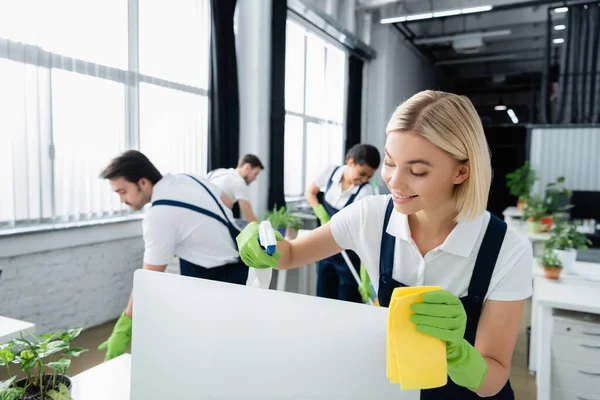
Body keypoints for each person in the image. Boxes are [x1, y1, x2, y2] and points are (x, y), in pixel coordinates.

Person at [236, 90, 532, 398]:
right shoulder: (371, 216)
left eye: (417, 171)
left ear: (461, 171)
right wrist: (263, 244)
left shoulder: (506, 250)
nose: (394, 181)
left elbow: (494, 378)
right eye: (390, 163)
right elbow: (292, 254)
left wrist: (458, 354)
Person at [97, 150, 247, 361]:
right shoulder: (187, 178)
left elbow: (148, 279)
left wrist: (126, 323)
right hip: (238, 265)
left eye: (123, 191)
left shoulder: (159, 213)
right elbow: (226, 201)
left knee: (209, 353)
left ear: (143, 183)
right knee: (226, 342)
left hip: (215, 279)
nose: (122, 199)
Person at [305, 144, 380, 303]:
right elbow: (310, 192)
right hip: (324, 250)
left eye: (369, 177)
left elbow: (364, 236)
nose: (364, 180)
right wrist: (320, 211)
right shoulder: (330, 172)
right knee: (323, 300)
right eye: (362, 174)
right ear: (351, 162)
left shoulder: (365, 192)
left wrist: (365, 276)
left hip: (349, 255)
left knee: (347, 303)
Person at [207, 154, 264, 223]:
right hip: (211, 219)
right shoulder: (238, 182)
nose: (255, 179)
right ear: (247, 167)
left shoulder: (219, 172)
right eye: (255, 174)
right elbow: (251, 219)